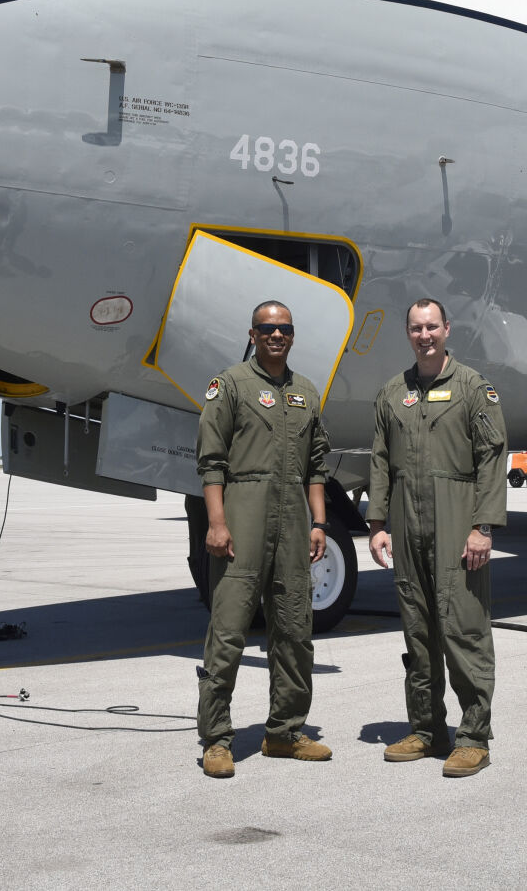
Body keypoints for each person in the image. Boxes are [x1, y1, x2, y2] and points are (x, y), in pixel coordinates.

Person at [368, 298, 507, 777]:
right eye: (415, 328)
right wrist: (378, 522)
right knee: (418, 631)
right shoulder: (392, 393)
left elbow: (492, 455)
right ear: (408, 333)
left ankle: (473, 736)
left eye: (431, 327)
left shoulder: (473, 388)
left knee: (464, 629)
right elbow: (381, 461)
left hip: (457, 521)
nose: (424, 335)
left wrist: (482, 525)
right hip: (407, 525)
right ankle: (427, 730)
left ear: (447, 329)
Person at [195, 300, 333, 778]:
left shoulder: (307, 393)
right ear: (252, 335)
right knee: (229, 631)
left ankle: (285, 732)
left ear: (292, 336)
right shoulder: (229, 385)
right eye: (267, 328)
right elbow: (211, 461)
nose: (277, 335)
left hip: (294, 522)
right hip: (243, 516)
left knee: (295, 630)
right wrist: (217, 522)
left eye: (285, 328)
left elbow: (316, 466)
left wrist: (319, 524)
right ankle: (216, 738)